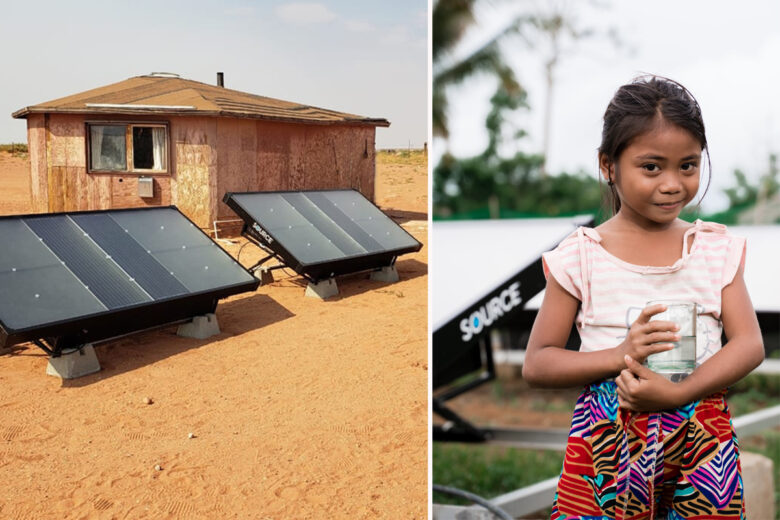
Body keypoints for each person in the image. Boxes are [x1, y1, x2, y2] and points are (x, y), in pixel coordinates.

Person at [522, 76, 764, 519]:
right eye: (651, 167)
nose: (673, 184)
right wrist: (620, 354)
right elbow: (538, 362)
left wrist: (680, 393)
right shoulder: (580, 256)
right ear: (608, 165)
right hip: (608, 440)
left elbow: (750, 343)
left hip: (702, 441)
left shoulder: (714, 249)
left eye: (687, 166)